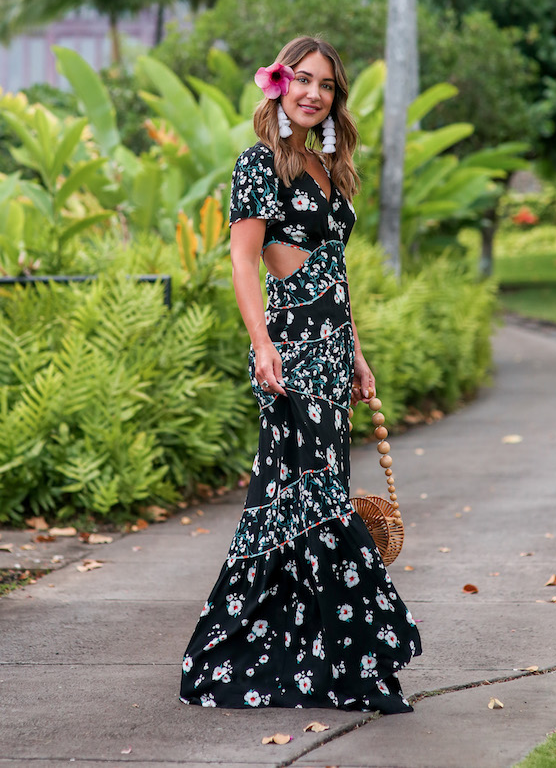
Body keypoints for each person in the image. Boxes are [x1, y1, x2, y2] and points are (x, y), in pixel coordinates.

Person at [180, 36, 421, 711]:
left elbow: (334, 273)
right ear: (280, 86)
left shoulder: (323, 165)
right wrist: (262, 345)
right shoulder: (261, 164)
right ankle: (353, 659)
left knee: (293, 498)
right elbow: (243, 261)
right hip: (290, 350)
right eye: (304, 80)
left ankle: (280, 654)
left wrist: (359, 353)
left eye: (327, 86)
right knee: (315, 497)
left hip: (332, 349)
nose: (315, 94)